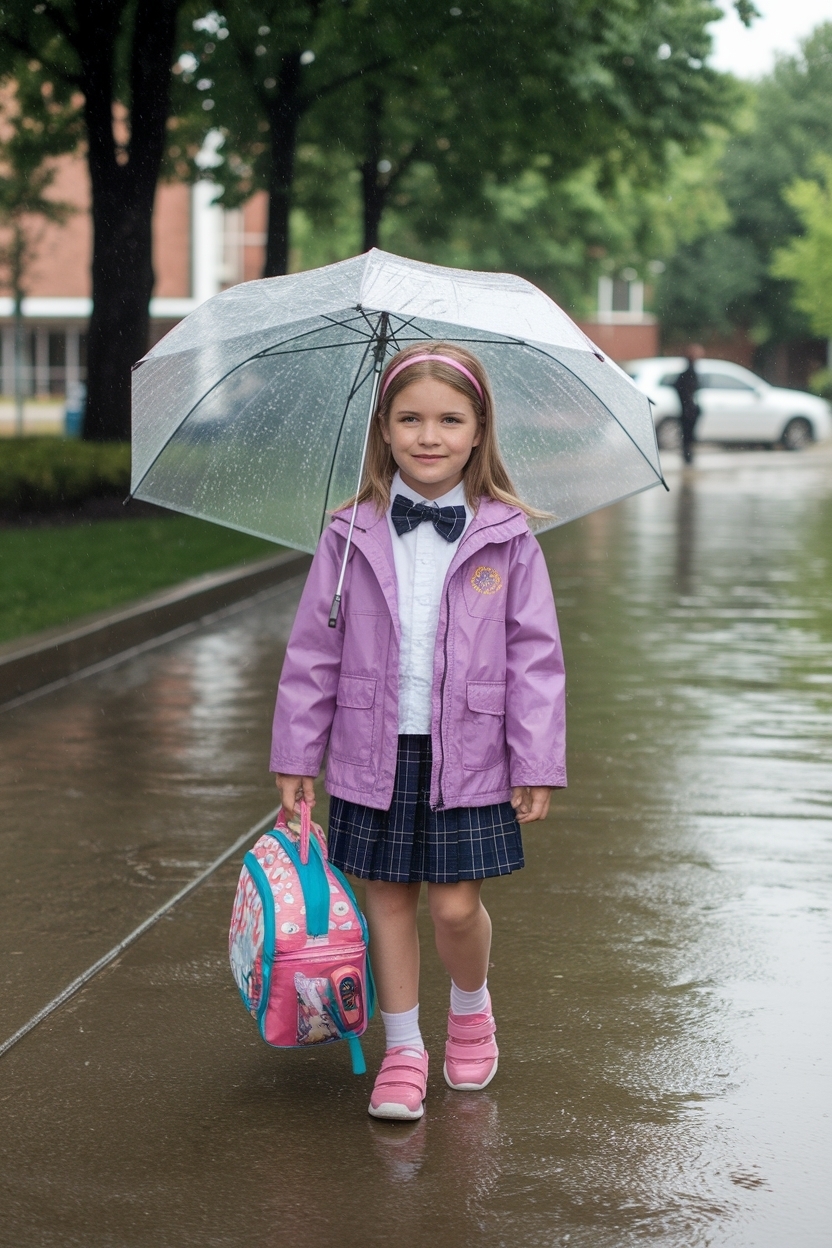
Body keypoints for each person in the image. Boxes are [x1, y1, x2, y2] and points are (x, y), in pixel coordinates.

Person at [271, 342, 566, 1121]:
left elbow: (536, 658)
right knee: (389, 902)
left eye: (447, 419)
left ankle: (471, 1007)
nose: (428, 435)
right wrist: (297, 753)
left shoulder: (509, 536)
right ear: (385, 429)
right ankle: (404, 1048)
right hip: (375, 746)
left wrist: (535, 758)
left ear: (478, 430)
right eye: (410, 418)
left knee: (454, 908)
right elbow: (312, 651)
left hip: (470, 750)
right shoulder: (348, 534)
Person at [673, 344, 705, 464]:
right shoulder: (688, 372)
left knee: (688, 435)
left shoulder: (690, 371)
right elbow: (683, 388)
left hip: (688, 409)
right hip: (688, 410)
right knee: (687, 435)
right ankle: (687, 456)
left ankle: (688, 456)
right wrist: (689, 404)